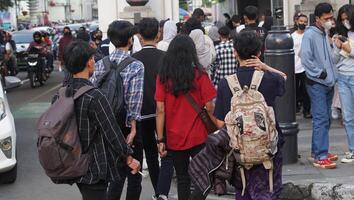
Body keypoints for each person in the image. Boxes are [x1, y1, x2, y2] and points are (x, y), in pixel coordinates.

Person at [58, 40, 140, 200]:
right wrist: (129, 158)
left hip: (72, 161)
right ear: (89, 62)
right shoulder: (94, 96)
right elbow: (112, 132)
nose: (94, 61)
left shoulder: (61, 94)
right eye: (93, 59)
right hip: (94, 166)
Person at [214, 31, 285, 200]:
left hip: (240, 152)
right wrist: (266, 67)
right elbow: (284, 77)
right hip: (269, 149)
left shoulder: (226, 83)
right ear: (260, 53)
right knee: (268, 190)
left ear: (235, 53)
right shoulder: (270, 78)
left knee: (243, 191)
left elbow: (219, 122)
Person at [155, 35, 217, 200]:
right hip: (198, 134)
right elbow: (210, 106)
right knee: (203, 178)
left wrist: (161, 139)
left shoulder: (163, 77)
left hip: (174, 136)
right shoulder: (200, 74)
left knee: (183, 178)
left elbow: (160, 109)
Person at [90, 20, 144, 200]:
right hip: (127, 127)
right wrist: (133, 129)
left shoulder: (100, 64)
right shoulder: (136, 65)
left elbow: (93, 92)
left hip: (105, 126)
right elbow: (134, 100)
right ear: (130, 40)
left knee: (113, 175)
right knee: (133, 174)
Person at [132, 17, 174, 200]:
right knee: (165, 150)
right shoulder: (166, 59)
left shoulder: (133, 60)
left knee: (150, 152)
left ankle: (158, 190)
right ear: (158, 34)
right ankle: (161, 192)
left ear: (139, 37)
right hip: (163, 113)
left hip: (141, 114)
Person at [301, 2, 338, 169]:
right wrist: (320, 73)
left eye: (331, 17)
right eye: (327, 18)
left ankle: (318, 150)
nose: (330, 20)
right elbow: (306, 59)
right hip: (317, 83)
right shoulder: (310, 35)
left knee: (326, 118)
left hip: (328, 82)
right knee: (321, 118)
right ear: (318, 18)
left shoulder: (324, 33)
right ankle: (320, 155)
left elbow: (329, 57)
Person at [332, 4, 354, 163]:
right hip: (343, 78)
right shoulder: (340, 35)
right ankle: (353, 149)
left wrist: (349, 49)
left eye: (347, 18)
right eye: (342, 19)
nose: (345, 21)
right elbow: (334, 59)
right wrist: (338, 47)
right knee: (347, 117)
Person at [291, 14, 311, 119]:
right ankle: (295, 108)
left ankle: (307, 111)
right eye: (301, 21)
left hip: (305, 67)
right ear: (296, 21)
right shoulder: (292, 36)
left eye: (305, 21)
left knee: (306, 90)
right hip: (294, 66)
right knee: (294, 89)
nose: (303, 23)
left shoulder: (308, 35)